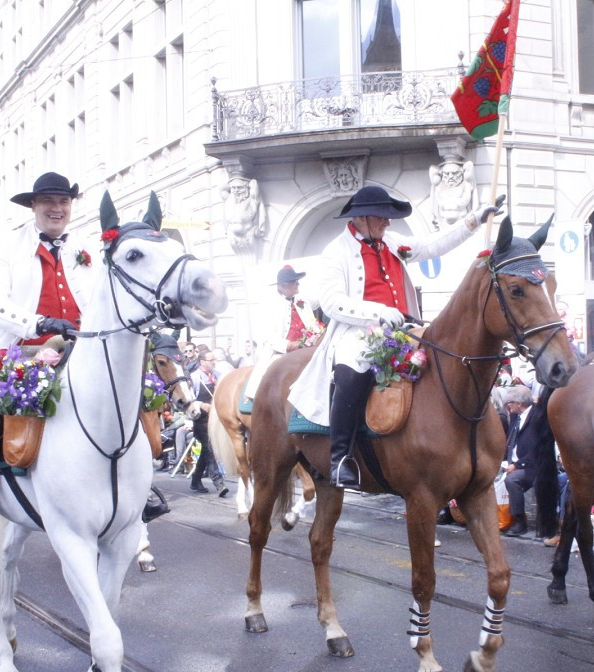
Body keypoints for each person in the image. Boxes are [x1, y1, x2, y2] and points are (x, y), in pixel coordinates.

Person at [288, 185, 500, 488]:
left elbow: (431, 246)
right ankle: (341, 458)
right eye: (382, 217)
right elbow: (332, 302)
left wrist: (473, 220)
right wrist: (377, 312)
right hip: (359, 331)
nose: (388, 223)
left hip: (405, 327)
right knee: (352, 369)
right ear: (362, 218)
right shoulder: (336, 251)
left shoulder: (391, 241)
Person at [0, 171, 93, 537]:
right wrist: (40, 324)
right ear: (33, 206)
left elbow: (98, 296)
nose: (57, 209)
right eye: (49, 201)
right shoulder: (8, 246)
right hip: (21, 349)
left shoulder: (84, 247)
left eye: (64, 202)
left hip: (83, 349)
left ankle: (137, 488)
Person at [243, 265, 323, 403]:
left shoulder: (301, 298)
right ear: (283, 286)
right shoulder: (269, 304)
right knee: (269, 372)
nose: (298, 285)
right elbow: (268, 336)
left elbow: (320, 301)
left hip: (309, 346)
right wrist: (290, 345)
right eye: (295, 282)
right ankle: (260, 403)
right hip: (283, 351)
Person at [502, 387, 540, 536]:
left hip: (533, 465)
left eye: (509, 403)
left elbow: (538, 449)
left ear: (519, 403)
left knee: (512, 480)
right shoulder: (515, 417)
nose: (507, 406)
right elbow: (509, 441)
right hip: (512, 462)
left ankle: (520, 521)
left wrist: (517, 465)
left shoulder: (537, 416)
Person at [189, 350, 227, 496]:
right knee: (210, 449)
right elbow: (189, 399)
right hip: (202, 420)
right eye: (211, 360)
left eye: (214, 360)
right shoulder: (195, 377)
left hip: (216, 418)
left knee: (206, 451)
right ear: (202, 362)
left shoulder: (217, 375)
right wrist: (200, 404)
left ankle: (195, 481)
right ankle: (219, 483)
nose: (214, 362)